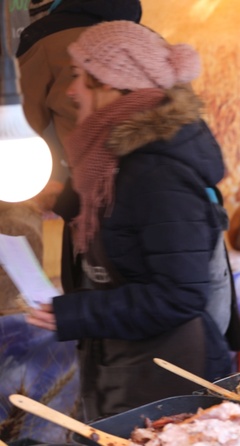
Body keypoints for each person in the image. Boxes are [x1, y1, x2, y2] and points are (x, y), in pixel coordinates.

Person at [25, 20, 237, 421]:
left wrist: (76, 312)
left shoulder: (157, 170)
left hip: (167, 375)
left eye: (82, 79)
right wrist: (65, 199)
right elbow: (130, 222)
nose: (71, 92)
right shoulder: (119, 159)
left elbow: (179, 293)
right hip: (130, 362)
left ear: (116, 86)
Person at [17, 0, 143, 292]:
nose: (72, 91)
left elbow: (16, 131)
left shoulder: (47, 40)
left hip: (96, 220)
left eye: (78, 78)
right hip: (101, 210)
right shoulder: (150, 42)